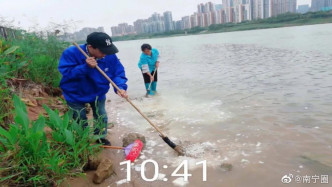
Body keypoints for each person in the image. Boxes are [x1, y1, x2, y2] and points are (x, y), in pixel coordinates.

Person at [58, 32, 128, 145]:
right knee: (79, 118)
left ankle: (100, 137)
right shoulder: (71, 53)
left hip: (98, 92)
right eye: (102, 51)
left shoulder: (109, 54)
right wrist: (85, 67)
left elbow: (118, 72)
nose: (105, 54)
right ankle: (83, 140)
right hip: (75, 93)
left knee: (101, 115)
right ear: (90, 47)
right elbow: (67, 73)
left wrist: (120, 87)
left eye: (107, 50)